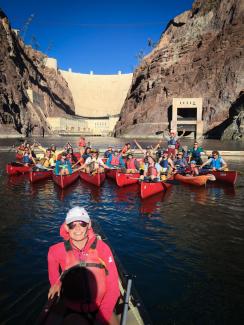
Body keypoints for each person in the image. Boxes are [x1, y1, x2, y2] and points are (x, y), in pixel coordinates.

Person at [48, 207, 120, 324]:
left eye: (82, 223)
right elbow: (54, 279)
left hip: (101, 307)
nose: (77, 228)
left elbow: (114, 288)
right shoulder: (55, 251)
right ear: (66, 227)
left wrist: (101, 317)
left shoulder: (103, 248)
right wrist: (57, 283)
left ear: (89, 224)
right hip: (73, 310)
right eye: (72, 225)